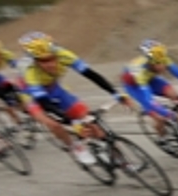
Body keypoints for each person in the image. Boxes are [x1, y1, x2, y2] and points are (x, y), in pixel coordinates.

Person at [15, 31, 132, 165]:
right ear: (34, 60)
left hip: (54, 88)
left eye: (52, 58)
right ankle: (75, 147)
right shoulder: (29, 70)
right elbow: (44, 103)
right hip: (31, 95)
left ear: (55, 52)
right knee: (53, 124)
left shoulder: (64, 54)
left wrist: (116, 93)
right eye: (43, 61)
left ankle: (119, 159)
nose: (50, 64)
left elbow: (91, 75)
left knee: (88, 120)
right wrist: (71, 123)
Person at [121, 39, 178, 141]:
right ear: (151, 62)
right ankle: (162, 136)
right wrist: (169, 114)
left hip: (151, 79)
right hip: (135, 86)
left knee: (175, 95)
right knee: (160, 117)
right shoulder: (140, 72)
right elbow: (150, 101)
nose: (164, 66)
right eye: (159, 63)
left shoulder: (162, 58)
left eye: (163, 61)